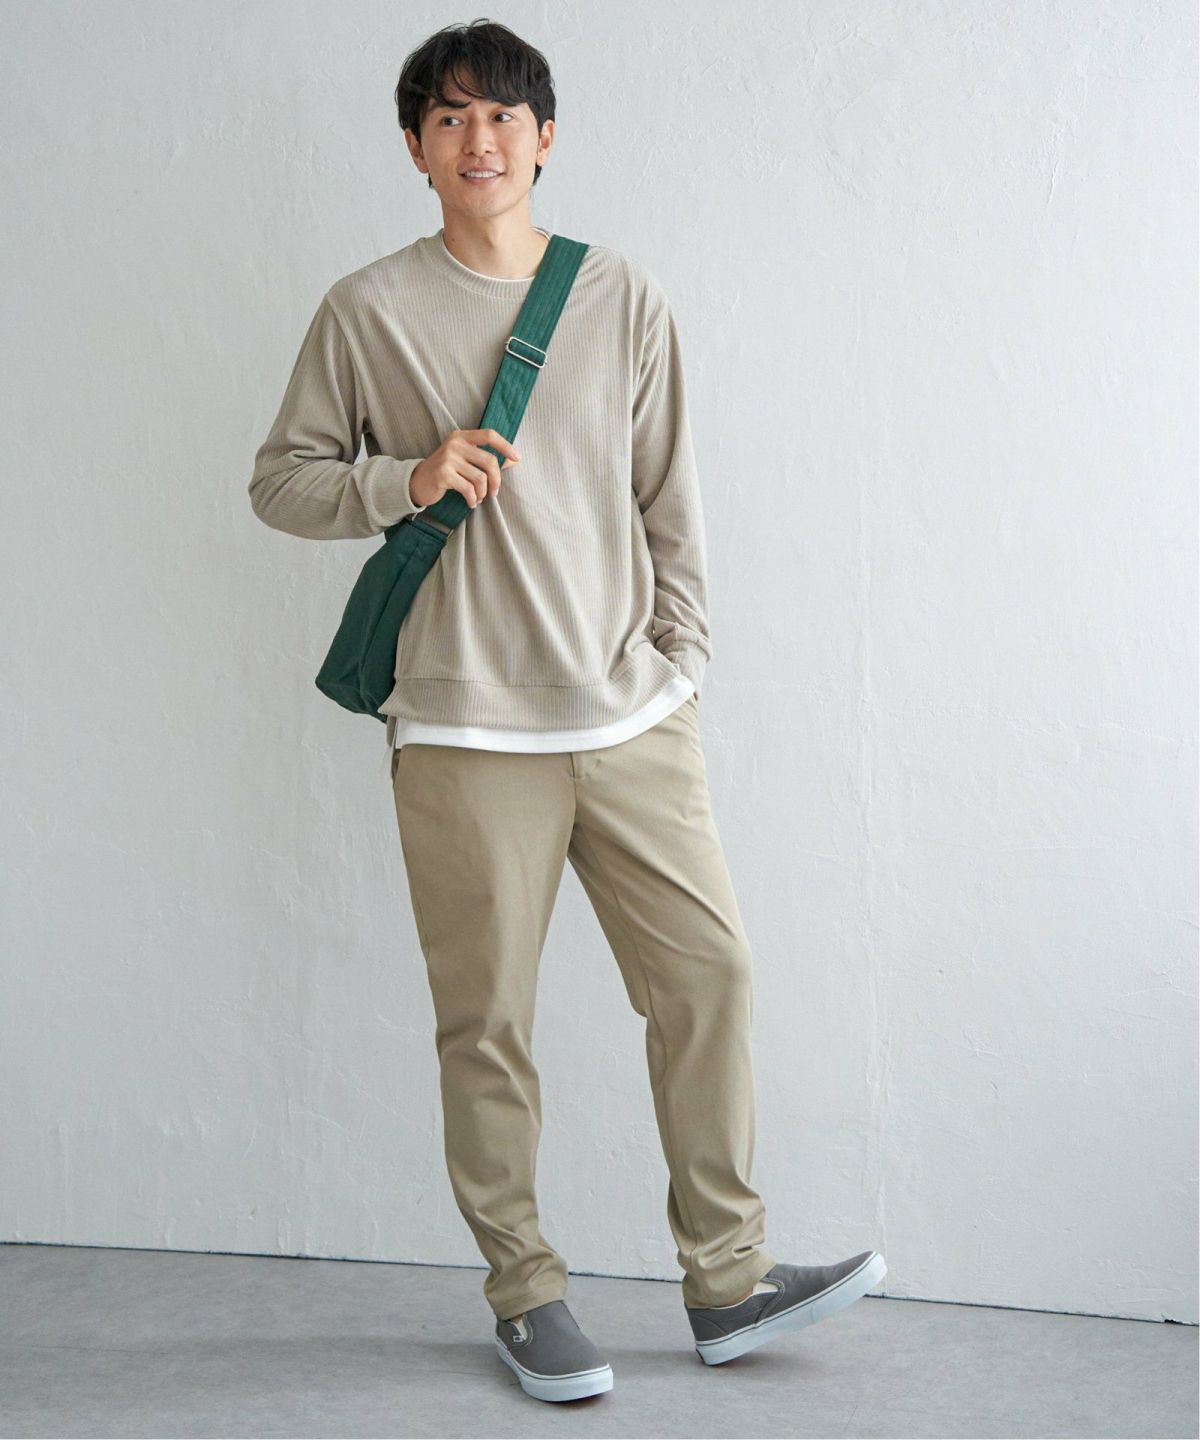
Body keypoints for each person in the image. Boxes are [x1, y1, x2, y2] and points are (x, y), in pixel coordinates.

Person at [248, 18, 885, 1405]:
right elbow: (281, 481)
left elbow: (671, 495)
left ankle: (727, 1278)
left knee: (709, 976)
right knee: (488, 1024)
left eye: (502, 116)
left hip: (630, 713)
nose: (478, 140)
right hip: (464, 730)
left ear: (546, 138)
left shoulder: (620, 295)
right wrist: (402, 481)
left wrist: (681, 661)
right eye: (449, 118)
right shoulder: (366, 309)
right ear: (415, 148)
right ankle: (526, 1293)